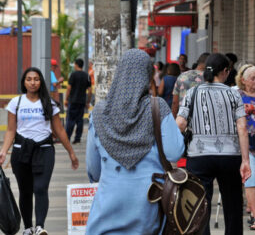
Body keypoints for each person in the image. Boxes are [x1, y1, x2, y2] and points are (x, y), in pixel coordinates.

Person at [85, 49, 185, 234]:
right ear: (148, 75)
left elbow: (93, 169)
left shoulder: (99, 112)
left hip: (107, 206)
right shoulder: (157, 107)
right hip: (147, 204)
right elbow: (174, 152)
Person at [176, 53, 251, 235]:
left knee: (201, 205)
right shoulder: (233, 94)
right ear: (225, 71)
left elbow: (180, 124)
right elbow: (242, 128)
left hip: (199, 157)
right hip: (229, 156)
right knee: (233, 205)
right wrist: (246, 160)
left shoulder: (192, 92)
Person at [0, 67, 79, 235]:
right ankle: (28, 227)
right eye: (29, 79)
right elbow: (11, 130)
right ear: (24, 82)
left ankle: (40, 227)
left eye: (36, 79)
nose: (33, 82)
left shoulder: (49, 103)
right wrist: (3, 151)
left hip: (44, 150)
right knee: (25, 190)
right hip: (21, 151)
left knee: (41, 188)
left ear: (41, 81)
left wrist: (71, 152)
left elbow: (59, 130)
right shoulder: (16, 103)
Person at [235, 64, 255, 230]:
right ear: (243, 80)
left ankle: (253, 209)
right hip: (246, 145)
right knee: (252, 178)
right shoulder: (237, 95)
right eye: (252, 78)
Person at [171, 52, 210, 117]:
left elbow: (175, 103)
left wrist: (175, 120)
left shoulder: (182, 76)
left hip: (183, 119)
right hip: (202, 120)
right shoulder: (210, 78)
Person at [65, 58, 92, 144]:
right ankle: (77, 138)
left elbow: (69, 88)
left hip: (73, 100)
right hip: (82, 101)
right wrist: (88, 101)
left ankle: (67, 137)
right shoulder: (86, 75)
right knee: (80, 120)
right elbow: (90, 90)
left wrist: (66, 99)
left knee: (70, 120)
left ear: (76, 65)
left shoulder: (73, 75)